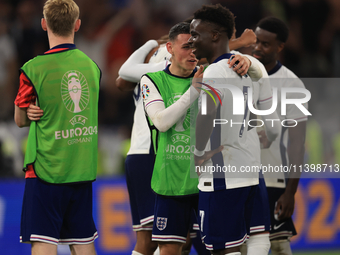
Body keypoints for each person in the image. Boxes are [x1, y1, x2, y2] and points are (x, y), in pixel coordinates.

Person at [116, 22, 259, 255]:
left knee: (217, 248)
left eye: (194, 47)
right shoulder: (152, 80)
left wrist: (248, 61)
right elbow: (161, 122)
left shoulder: (212, 75)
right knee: (169, 249)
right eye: (185, 47)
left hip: (207, 182)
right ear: (169, 48)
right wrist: (194, 91)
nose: (192, 52)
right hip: (170, 181)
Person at [14, 1, 100, 255]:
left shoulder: (33, 69)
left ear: (44, 24)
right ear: (77, 25)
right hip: (82, 168)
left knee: (43, 243)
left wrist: (29, 113)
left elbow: (19, 120)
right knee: (83, 244)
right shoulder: (92, 67)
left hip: (46, 170)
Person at [189, 4, 262, 255]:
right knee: (238, 247)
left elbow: (206, 115)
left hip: (223, 175)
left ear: (215, 36)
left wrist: (198, 152)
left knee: (222, 249)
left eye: (196, 34)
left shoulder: (215, 71)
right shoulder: (244, 70)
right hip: (249, 170)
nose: (191, 40)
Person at [252, 16, 308, 255]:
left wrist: (290, 192)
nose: (257, 48)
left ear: (280, 47)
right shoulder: (239, 73)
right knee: (244, 245)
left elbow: (297, 142)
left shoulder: (292, 85)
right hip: (239, 175)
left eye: (265, 44)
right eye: (256, 41)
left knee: (278, 246)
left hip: (274, 175)